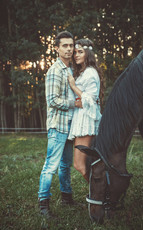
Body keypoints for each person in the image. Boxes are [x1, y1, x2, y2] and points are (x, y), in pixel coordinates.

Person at [38, 31, 82, 218]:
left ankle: (67, 197)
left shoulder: (70, 70)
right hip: (57, 126)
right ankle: (43, 205)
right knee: (51, 166)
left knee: (65, 165)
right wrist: (74, 103)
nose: (69, 49)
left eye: (71, 45)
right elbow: (52, 100)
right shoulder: (55, 70)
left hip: (69, 126)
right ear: (57, 48)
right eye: (65, 45)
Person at [67, 39, 102, 183]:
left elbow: (91, 100)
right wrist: (76, 102)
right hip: (80, 120)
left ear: (88, 53)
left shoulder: (90, 73)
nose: (76, 55)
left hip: (86, 122)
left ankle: (102, 194)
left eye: (80, 52)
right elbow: (81, 101)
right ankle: (99, 193)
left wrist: (74, 87)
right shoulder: (83, 72)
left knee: (79, 165)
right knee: (83, 164)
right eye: (75, 52)